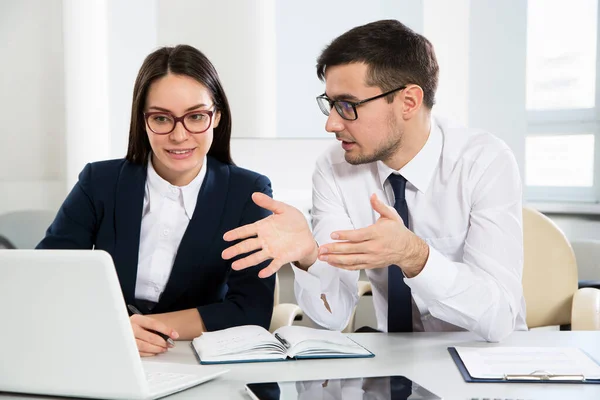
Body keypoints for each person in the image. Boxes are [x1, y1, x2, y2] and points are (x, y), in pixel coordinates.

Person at [222, 20, 527, 342]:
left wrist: (415, 255)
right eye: (330, 104)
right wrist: (310, 257)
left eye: (347, 106)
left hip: (482, 358)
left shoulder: (483, 161)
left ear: (408, 101)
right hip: (392, 362)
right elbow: (333, 318)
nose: (330, 124)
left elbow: (499, 319)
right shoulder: (334, 167)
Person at [37, 45, 275, 356]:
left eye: (196, 116)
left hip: (201, 356)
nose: (179, 136)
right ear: (142, 119)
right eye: (162, 119)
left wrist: (131, 327)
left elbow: (251, 309)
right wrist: (114, 332)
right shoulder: (99, 182)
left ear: (216, 117)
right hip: (107, 352)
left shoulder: (249, 192)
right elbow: (48, 280)